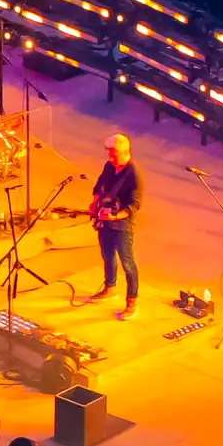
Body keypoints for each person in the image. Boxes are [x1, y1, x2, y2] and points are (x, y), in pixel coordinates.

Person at [92, 131, 142, 314]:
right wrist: (95, 201)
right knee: (107, 256)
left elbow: (135, 205)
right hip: (105, 220)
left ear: (124, 152)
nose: (110, 157)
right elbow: (98, 186)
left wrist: (116, 216)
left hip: (122, 224)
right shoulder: (109, 166)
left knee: (127, 263)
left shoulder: (134, 173)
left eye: (113, 154)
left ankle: (131, 302)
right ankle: (110, 286)